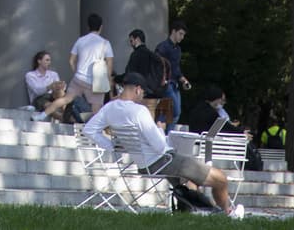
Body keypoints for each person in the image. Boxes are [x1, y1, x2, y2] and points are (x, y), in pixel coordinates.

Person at [82, 68, 244, 218]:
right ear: (138, 89)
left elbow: (89, 129)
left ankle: (195, 212)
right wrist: (160, 129)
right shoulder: (139, 111)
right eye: (143, 92)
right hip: (162, 161)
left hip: (145, 164)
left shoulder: (109, 108)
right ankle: (228, 214)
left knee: (189, 179)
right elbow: (159, 147)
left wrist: (111, 146)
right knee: (221, 178)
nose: (143, 96)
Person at [66, 13, 115, 114]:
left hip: (79, 78)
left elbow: (71, 60)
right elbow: (109, 64)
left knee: (67, 99)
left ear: (88, 26)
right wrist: (108, 80)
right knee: (96, 109)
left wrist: (76, 72)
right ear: (101, 27)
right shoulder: (105, 43)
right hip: (96, 80)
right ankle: (93, 128)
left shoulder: (80, 40)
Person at [122, 29, 166, 115]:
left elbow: (129, 75)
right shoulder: (153, 56)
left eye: (131, 41)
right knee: (151, 117)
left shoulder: (136, 55)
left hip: (140, 93)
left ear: (137, 39)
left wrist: (116, 78)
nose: (131, 44)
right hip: (155, 92)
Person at [156, 20, 192, 125]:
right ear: (173, 31)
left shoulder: (178, 49)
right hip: (166, 83)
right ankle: (164, 133)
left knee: (170, 112)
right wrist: (162, 80)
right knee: (175, 111)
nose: (182, 37)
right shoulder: (162, 47)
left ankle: (164, 134)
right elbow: (157, 64)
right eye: (180, 34)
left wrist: (183, 80)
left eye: (183, 35)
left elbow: (176, 68)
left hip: (174, 83)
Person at [25, 50, 77, 122]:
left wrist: (61, 86)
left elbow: (60, 90)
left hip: (53, 96)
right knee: (48, 104)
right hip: (39, 99)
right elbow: (37, 91)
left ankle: (66, 115)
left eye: (50, 60)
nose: (49, 62)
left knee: (61, 91)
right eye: (47, 60)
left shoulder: (53, 74)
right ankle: (65, 119)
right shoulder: (30, 75)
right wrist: (50, 87)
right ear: (39, 61)